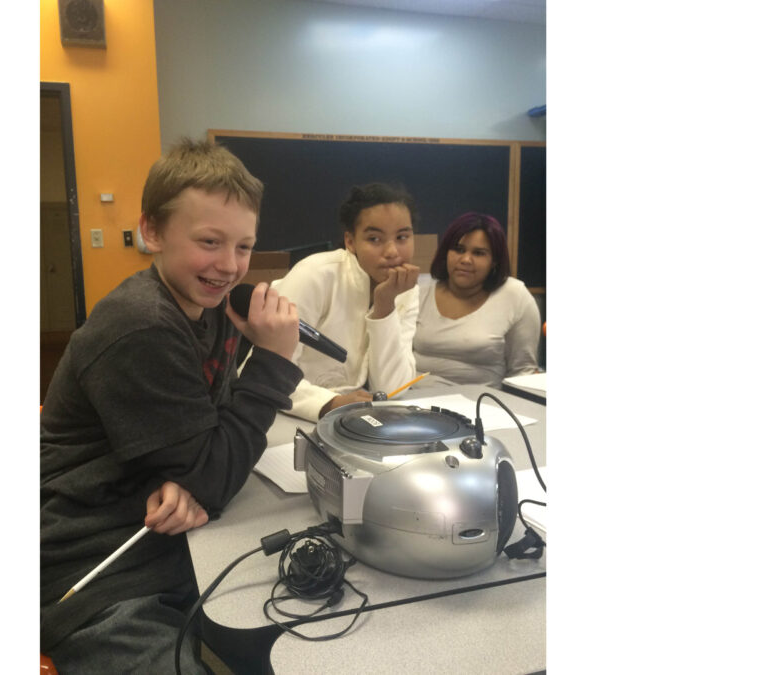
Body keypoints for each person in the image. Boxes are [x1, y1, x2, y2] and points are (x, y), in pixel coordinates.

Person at [39, 139, 303, 674]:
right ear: (153, 232)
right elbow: (211, 474)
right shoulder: (142, 324)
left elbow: (210, 443)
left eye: (244, 247)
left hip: (169, 539)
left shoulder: (208, 307)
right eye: (210, 241)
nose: (229, 266)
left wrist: (195, 476)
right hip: (90, 570)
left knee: (308, 632)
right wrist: (273, 362)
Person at [272, 182, 420, 421]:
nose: (392, 251)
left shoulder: (405, 290)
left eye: (402, 236)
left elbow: (393, 387)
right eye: (375, 238)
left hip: (354, 419)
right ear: (350, 241)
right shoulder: (316, 274)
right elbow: (268, 372)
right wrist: (330, 403)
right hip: (290, 414)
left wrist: (385, 307)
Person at [414, 211, 540, 386]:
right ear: (446, 253)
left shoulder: (515, 296)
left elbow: (522, 373)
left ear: (494, 261)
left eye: (479, 253)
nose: (465, 259)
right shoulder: (419, 291)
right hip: (413, 401)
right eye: (458, 249)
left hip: (481, 406)